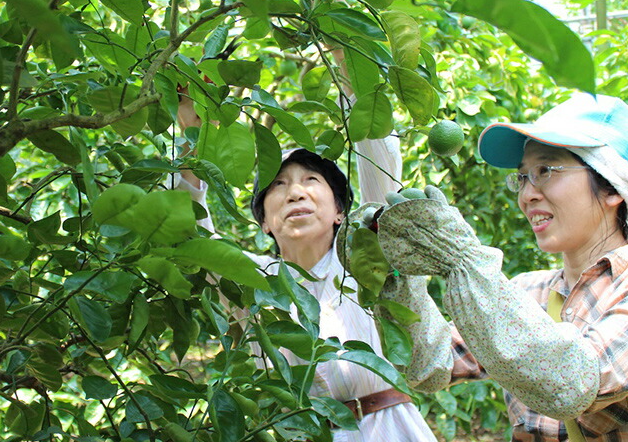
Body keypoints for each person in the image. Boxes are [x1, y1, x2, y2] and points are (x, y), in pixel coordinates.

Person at [367, 92, 628, 442]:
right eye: (522, 178)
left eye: (545, 171)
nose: (526, 195)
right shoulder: (528, 291)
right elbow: (429, 364)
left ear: (613, 187)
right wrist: (395, 272)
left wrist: (464, 260)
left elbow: (572, 383)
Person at [176, 96, 438, 442]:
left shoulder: (366, 256)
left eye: (311, 180)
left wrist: (347, 66)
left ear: (339, 212)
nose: (295, 192)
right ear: (265, 223)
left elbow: (378, 160)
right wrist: (194, 135)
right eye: (278, 185)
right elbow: (187, 232)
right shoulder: (251, 280)